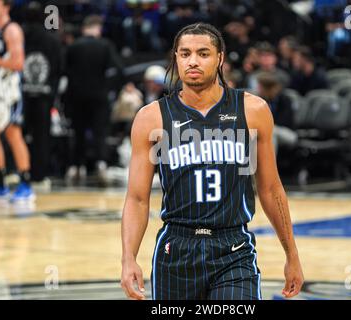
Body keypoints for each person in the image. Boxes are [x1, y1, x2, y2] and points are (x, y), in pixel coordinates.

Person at [120, 22, 303, 300]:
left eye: (203, 53)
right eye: (185, 54)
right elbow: (137, 199)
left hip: (233, 247)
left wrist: (292, 254)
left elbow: (270, 189)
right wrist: (128, 257)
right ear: (176, 58)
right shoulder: (151, 118)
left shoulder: (252, 111)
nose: (193, 61)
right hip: (176, 248)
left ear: (220, 58)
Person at [0, 0, 34, 201]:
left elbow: (18, 63)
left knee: (12, 132)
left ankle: (25, 183)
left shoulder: (12, 30)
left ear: (5, 7)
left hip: (8, 90)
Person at [64, 15, 121, 186]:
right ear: (98, 28)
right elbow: (119, 70)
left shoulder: (73, 46)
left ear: (84, 28)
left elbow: (64, 70)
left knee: (78, 132)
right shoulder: (105, 45)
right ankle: (101, 165)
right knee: (100, 132)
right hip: (99, 96)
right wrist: (110, 88)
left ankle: (75, 166)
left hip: (76, 96)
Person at [22, 1, 62, 192]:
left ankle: (17, 172)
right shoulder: (52, 40)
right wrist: (51, 92)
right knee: (41, 137)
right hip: (44, 96)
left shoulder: (19, 36)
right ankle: (40, 175)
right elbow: (59, 69)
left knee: (17, 135)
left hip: (21, 95)